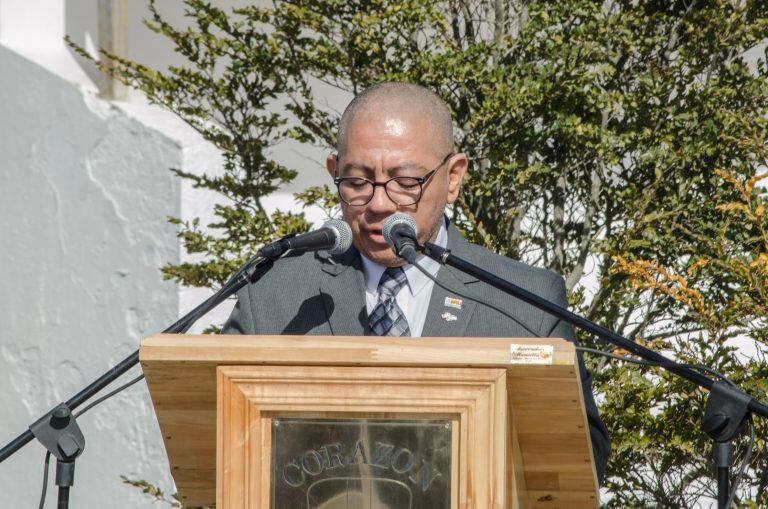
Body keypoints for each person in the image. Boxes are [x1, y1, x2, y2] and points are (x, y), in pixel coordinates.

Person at [222, 81, 610, 482]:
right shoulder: (273, 295)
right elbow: (220, 448)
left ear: (453, 176)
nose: (379, 204)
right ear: (334, 172)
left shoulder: (525, 303)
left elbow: (579, 465)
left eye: (406, 182)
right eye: (357, 181)